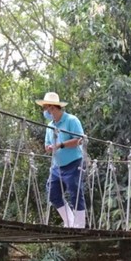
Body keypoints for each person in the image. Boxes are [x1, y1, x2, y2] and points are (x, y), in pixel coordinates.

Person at [37, 92, 86, 228]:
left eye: (45, 108)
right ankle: (69, 221)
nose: (44, 111)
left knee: (75, 191)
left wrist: (61, 145)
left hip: (74, 163)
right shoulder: (50, 126)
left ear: (53, 108)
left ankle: (80, 225)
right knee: (53, 193)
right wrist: (48, 147)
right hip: (57, 166)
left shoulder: (71, 120)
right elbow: (47, 144)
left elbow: (80, 139)